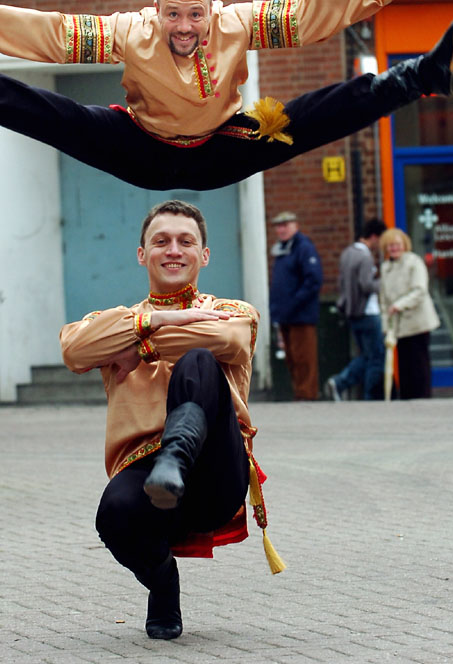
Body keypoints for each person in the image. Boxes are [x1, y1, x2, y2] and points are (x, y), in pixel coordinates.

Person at [0, 0, 453, 191]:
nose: (185, 27)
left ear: (210, 12)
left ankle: (420, 74)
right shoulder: (130, 32)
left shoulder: (239, 24)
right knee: (54, 117)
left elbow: (312, 12)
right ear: (157, 11)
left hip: (224, 144)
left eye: (195, 15)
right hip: (140, 146)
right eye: (174, 15)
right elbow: (56, 33)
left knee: (308, 116)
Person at [59, 200, 283, 641]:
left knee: (200, 361)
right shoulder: (118, 320)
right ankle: (162, 582)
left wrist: (138, 343)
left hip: (214, 469)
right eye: (161, 241)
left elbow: (226, 338)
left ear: (204, 255)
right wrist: (161, 318)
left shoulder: (235, 311)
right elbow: (74, 348)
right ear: (142, 253)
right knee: (113, 514)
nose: (174, 250)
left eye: (186, 241)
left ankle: (176, 459)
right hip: (146, 476)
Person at [325, 218, 387, 401]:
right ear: (374, 237)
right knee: (376, 357)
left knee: (366, 356)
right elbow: (367, 285)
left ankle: (340, 383)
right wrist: (384, 282)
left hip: (352, 312)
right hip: (368, 312)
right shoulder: (366, 256)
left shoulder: (347, 253)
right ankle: (365, 394)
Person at [379, 227, 440, 399]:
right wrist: (386, 327)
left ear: (404, 245)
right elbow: (384, 300)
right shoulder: (386, 268)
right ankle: (407, 399)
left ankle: (422, 398)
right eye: (390, 245)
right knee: (404, 364)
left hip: (418, 322)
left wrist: (399, 305)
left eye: (397, 244)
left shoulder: (414, 262)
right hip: (399, 326)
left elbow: (419, 290)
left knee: (419, 363)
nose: (394, 248)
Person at [269, 211, 322, 401]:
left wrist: (295, 302)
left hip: (301, 315)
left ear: (295, 225)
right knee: (292, 358)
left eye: (286, 225)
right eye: (278, 226)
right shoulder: (282, 250)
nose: (282, 229)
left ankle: (307, 395)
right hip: (285, 315)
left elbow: (313, 280)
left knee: (304, 358)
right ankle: (300, 393)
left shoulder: (304, 248)